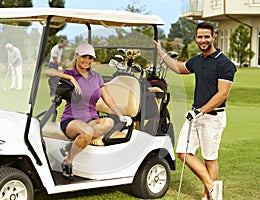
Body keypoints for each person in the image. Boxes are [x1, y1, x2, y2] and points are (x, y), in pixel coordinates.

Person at [153, 22, 236, 200]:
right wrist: (161, 53)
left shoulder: (224, 63)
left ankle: (208, 196)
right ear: (196, 38)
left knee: (210, 158)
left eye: (207, 36)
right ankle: (213, 187)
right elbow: (177, 67)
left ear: (213, 37)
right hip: (195, 115)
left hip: (212, 117)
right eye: (200, 37)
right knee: (182, 152)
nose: (203, 40)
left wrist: (200, 111)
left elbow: (222, 94)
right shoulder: (197, 60)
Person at [44, 43, 132, 178]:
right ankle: (68, 161)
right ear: (77, 56)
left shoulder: (97, 77)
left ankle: (68, 147)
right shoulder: (70, 73)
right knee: (87, 131)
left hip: (91, 120)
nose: (87, 61)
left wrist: (120, 116)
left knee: (108, 122)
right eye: (84, 56)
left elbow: (107, 97)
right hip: (71, 120)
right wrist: (71, 78)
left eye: (90, 58)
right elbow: (48, 72)